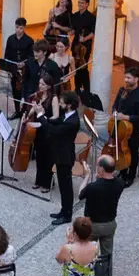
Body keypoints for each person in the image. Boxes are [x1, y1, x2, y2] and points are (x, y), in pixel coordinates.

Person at [35, 92, 81, 225]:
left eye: (62, 103)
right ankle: (63, 210)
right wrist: (45, 116)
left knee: (66, 186)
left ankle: (67, 215)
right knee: (62, 185)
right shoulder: (66, 115)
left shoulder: (72, 122)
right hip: (59, 153)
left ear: (70, 105)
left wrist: (40, 116)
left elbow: (52, 130)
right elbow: (56, 121)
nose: (59, 104)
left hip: (65, 156)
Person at [76, 155, 124, 256]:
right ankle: (106, 271)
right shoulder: (120, 183)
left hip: (92, 225)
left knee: (88, 253)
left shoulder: (93, 187)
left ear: (101, 169)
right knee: (107, 255)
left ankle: (90, 270)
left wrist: (87, 176)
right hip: (109, 224)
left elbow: (80, 194)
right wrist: (100, 178)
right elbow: (108, 185)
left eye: (97, 165)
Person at [111, 68, 139, 186]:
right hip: (120, 125)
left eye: (129, 78)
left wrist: (126, 117)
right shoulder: (122, 90)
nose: (126, 80)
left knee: (131, 150)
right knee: (120, 148)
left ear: (136, 79)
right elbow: (115, 105)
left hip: (133, 128)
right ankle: (122, 170)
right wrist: (114, 112)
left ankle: (131, 175)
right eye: (125, 77)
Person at [29, 74, 61, 195]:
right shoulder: (39, 95)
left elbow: (56, 116)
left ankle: (48, 183)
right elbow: (34, 109)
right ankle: (38, 180)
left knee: (48, 157)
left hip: (47, 127)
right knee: (39, 155)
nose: (40, 86)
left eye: (43, 84)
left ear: (48, 86)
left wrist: (44, 117)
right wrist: (29, 113)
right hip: (38, 127)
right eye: (39, 83)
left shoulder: (54, 98)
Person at [4, 17, 35, 119]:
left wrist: (24, 63)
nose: (18, 30)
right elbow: (7, 56)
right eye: (17, 27)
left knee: (25, 91)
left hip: (25, 70)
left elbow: (32, 57)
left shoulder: (30, 41)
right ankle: (18, 111)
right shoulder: (10, 39)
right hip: (14, 70)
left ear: (24, 28)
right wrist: (9, 69)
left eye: (21, 28)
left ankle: (25, 112)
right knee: (15, 90)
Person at [70, 0, 95, 96]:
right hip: (76, 45)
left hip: (85, 46)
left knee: (83, 67)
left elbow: (93, 33)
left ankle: (86, 88)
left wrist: (84, 38)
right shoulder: (75, 15)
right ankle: (77, 88)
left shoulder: (91, 17)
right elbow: (73, 29)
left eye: (82, 3)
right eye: (79, 2)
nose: (80, 4)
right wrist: (71, 32)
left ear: (87, 4)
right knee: (76, 67)